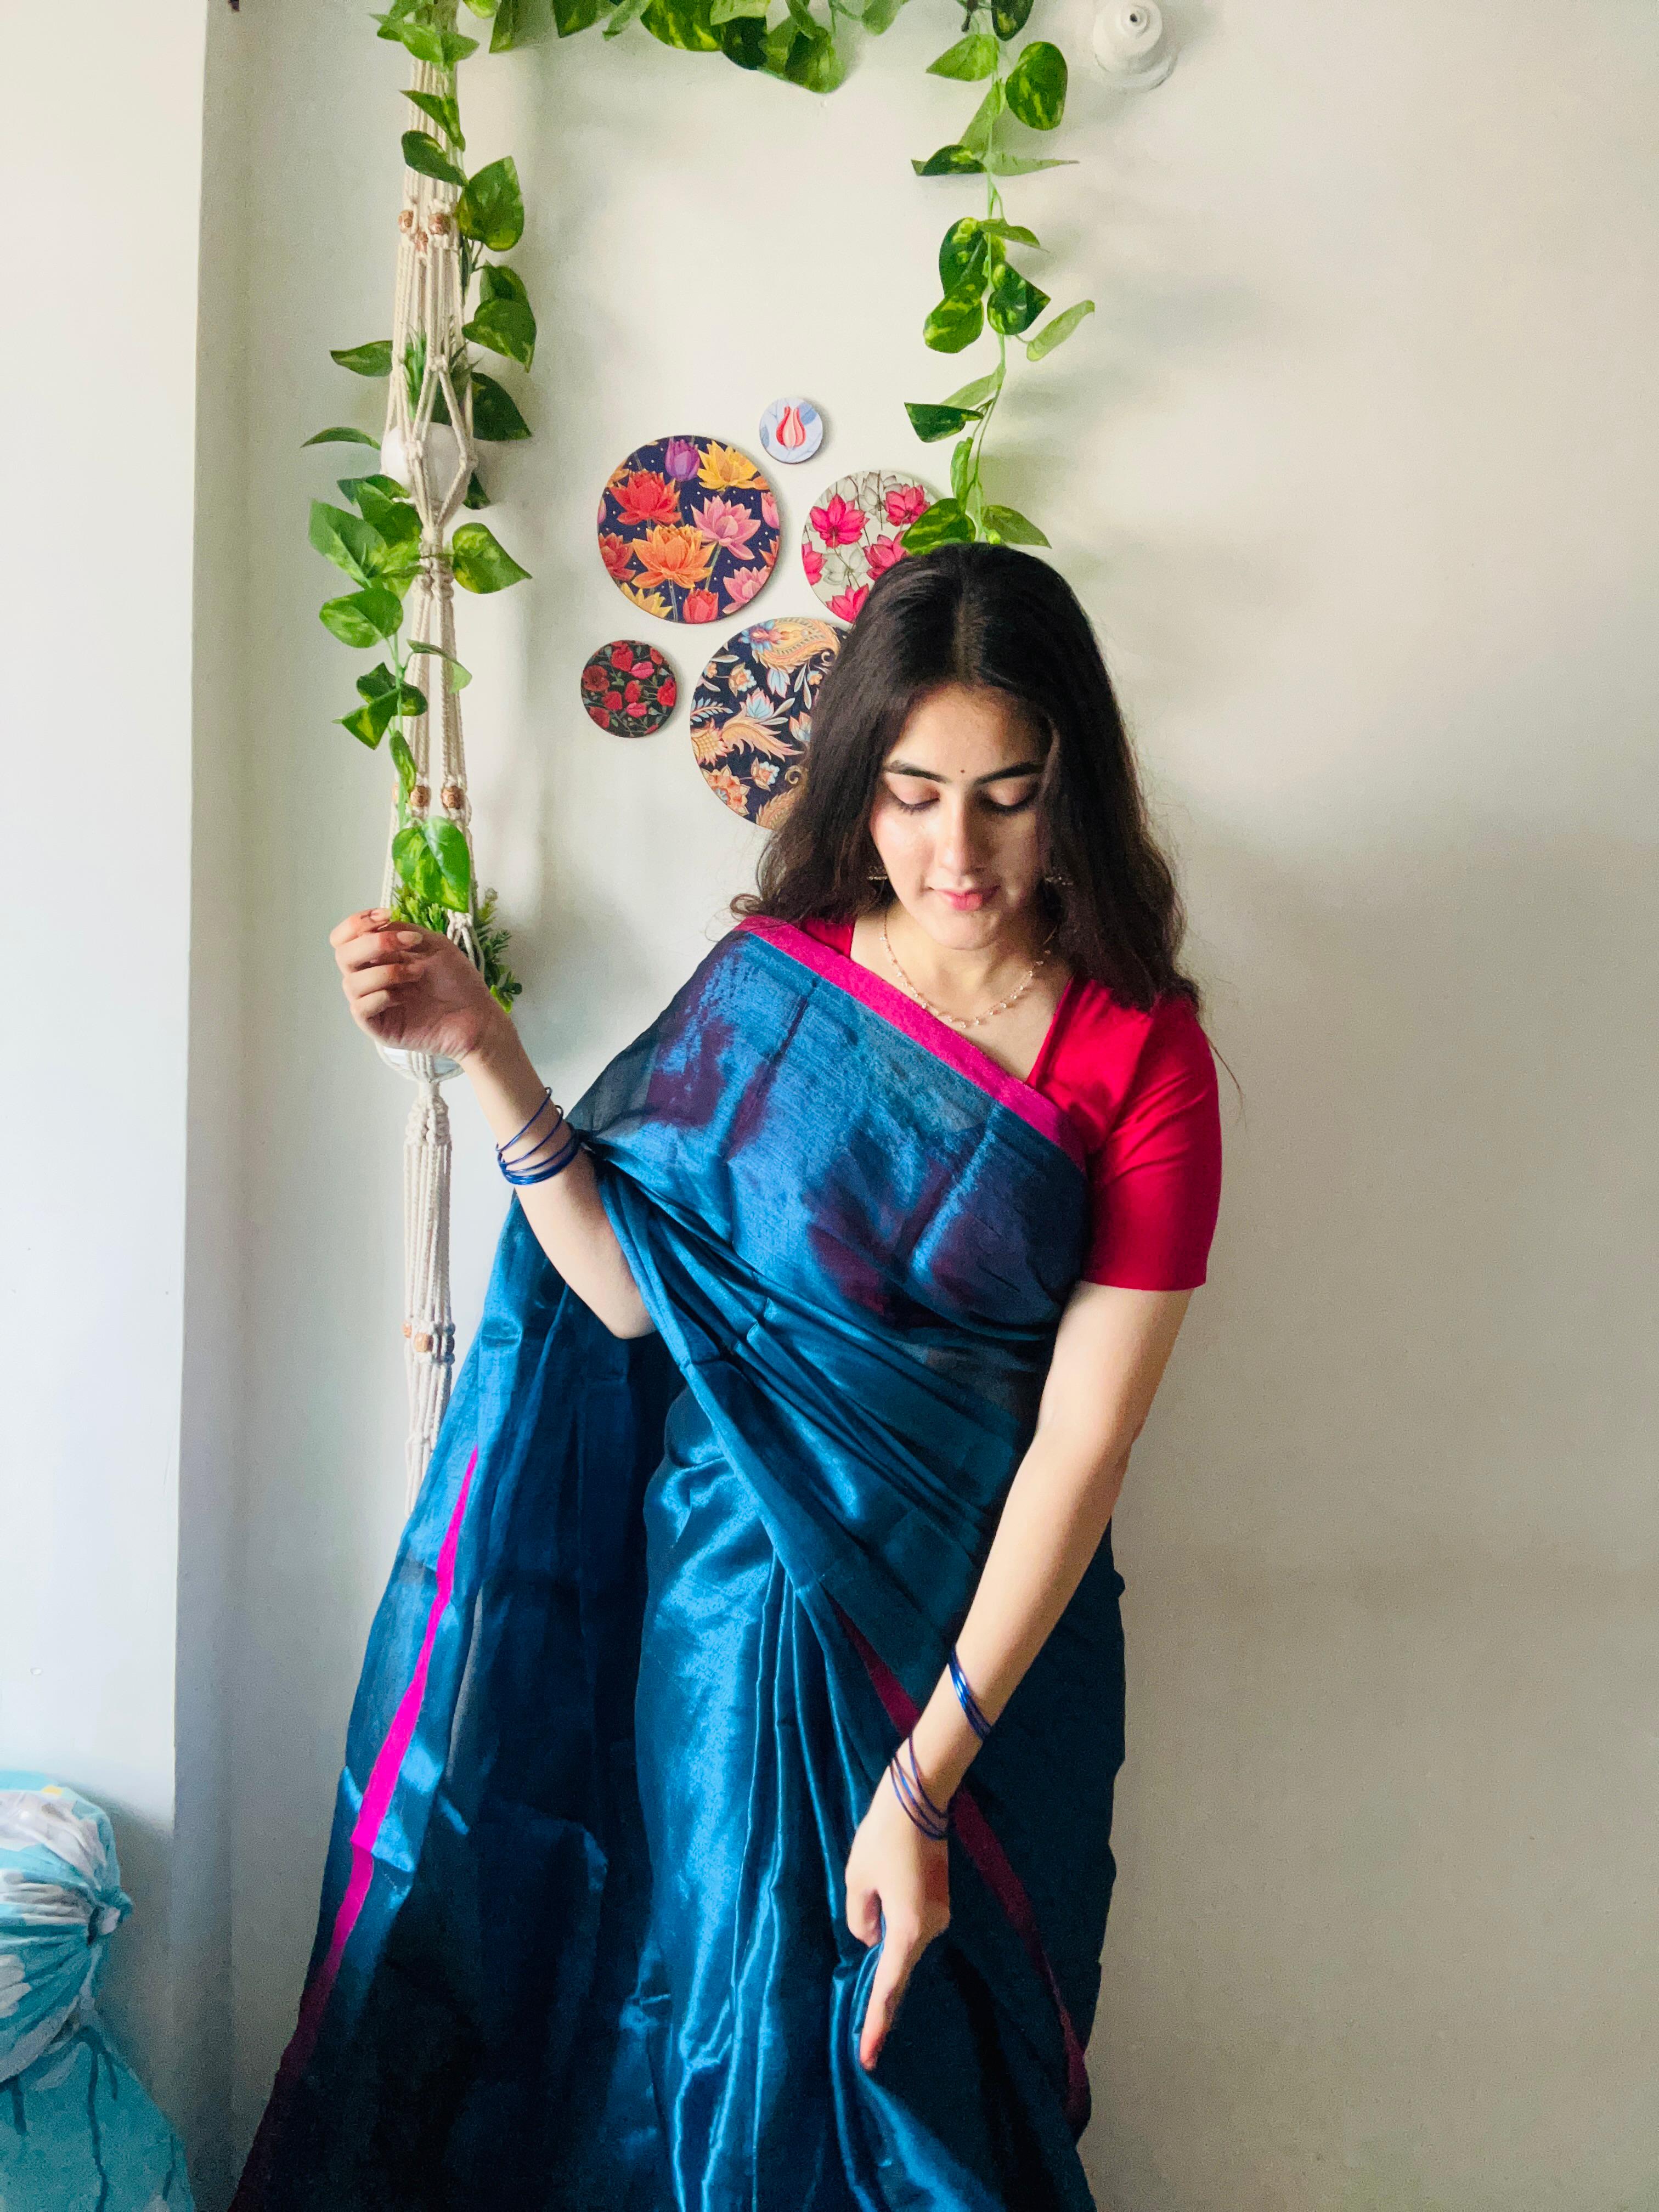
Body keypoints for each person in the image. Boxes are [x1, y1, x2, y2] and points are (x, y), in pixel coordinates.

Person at [234, 543, 1223, 2212]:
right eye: (912, 793)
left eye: (1006, 796)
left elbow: (1084, 1445)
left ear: (1078, 791)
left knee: (928, 2077)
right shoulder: (778, 990)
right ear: (858, 781)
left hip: (974, 1661)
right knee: (715, 2034)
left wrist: (926, 1776)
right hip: (722, 1625)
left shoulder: (1141, 1052)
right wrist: (485, 1050)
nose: (955, 851)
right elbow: (632, 1302)